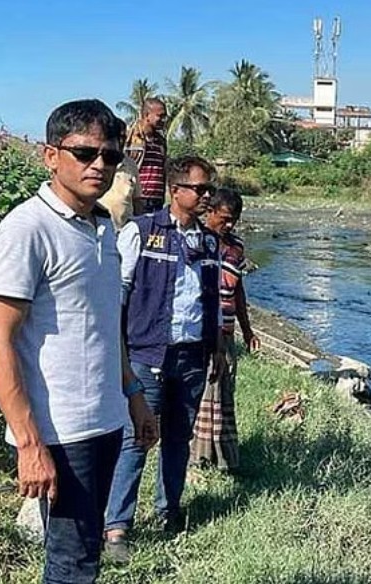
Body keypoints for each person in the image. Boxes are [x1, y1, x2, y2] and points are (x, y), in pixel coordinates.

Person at [0, 99, 158, 584]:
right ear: (50, 155)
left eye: (110, 155)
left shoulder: (103, 227)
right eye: (83, 153)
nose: (98, 165)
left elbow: (106, 324)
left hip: (105, 420)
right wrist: (28, 442)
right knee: (71, 564)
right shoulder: (27, 230)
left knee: (86, 555)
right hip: (60, 430)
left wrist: (134, 394)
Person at [104, 155, 222, 563]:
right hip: (147, 354)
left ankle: (170, 510)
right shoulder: (142, 231)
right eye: (199, 188)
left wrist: (219, 349)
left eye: (209, 189)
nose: (207, 195)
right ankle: (117, 527)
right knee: (137, 439)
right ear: (176, 190)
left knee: (178, 439)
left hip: (192, 356)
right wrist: (117, 351)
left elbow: (214, 303)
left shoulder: (209, 241)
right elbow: (117, 294)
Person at [192, 187, 261, 472]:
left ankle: (220, 454)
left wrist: (248, 330)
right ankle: (196, 455)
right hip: (201, 331)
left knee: (223, 391)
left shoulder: (235, 247)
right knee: (202, 391)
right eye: (224, 218)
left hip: (228, 332)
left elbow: (238, 291)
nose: (229, 225)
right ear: (209, 212)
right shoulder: (196, 240)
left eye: (234, 219)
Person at [98, 117, 143, 230]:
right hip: (99, 229)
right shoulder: (96, 162)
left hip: (124, 231)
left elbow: (137, 200)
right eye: (116, 136)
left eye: (123, 136)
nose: (120, 141)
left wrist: (140, 226)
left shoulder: (131, 165)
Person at [124, 98, 167, 213]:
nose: (164, 120)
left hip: (157, 200)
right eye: (160, 116)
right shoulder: (131, 137)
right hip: (138, 199)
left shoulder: (161, 141)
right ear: (147, 115)